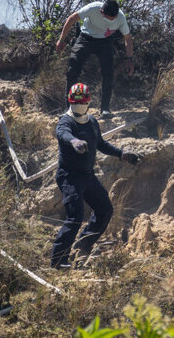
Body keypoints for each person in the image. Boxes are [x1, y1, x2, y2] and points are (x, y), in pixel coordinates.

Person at [50, 83, 139, 269]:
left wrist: (122, 154)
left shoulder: (91, 122)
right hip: (69, 176)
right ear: (70, 101)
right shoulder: (65, 121)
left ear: (89, 102)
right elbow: (63, 134)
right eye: (76, 102)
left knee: (105, 209)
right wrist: (74, 141)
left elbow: (100, 143)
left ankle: (83, 244)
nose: (79, 106)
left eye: (82, 102)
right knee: (75, 217)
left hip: (88, 176)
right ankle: (58, 261)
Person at [54, 0, 136, 118]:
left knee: (108, 73)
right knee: (72, 69)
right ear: (101, 12)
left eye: (113, 19)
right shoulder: (93, 8)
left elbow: (128, 38)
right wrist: (61, 40)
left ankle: (105, 109)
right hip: (85, 38)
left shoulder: (120, 17)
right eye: (108, 18)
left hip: (105, 42)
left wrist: (130, 59)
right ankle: (69, 109)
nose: (110, 21)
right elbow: (72, 18)